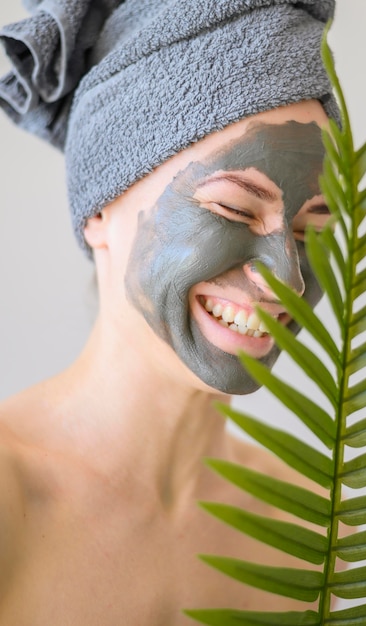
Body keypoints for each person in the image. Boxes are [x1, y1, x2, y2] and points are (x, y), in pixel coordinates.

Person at [0, 0, 339, 623]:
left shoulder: (313, 531)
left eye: (310, 229)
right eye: (234, 210)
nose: (286, 276)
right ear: (100, 208)